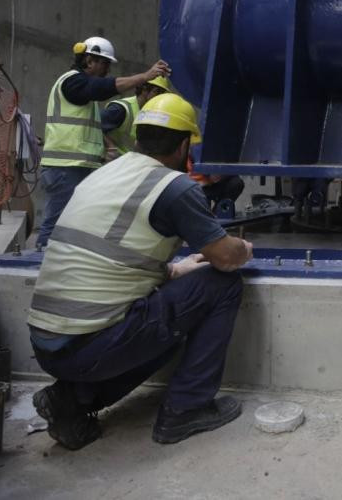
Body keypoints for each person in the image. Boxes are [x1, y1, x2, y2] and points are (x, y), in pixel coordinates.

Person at [27, 93, 254, 449]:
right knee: (222, 285)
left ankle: (70, 401)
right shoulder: (175, 187)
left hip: (47, 342)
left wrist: (175, 271)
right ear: (183, 145)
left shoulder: (108, 173)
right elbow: (225, 258)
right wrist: (242, 249)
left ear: (138, 136)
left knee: (166, 328)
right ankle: (186, 410)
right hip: (90, 344)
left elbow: (110, 257)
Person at [36, 37, 169, 249]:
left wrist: (104, 149)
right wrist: (145, 76)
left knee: (70, 225)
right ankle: (40, 264)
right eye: (104, 63)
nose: (107, 69)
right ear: (89, 60)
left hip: (76, 168)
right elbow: (103, 87)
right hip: (64, 168)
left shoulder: (81, 89)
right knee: (55, 226)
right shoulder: (73, 82)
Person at [104, 74, 173, 156]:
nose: (159, 97)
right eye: (157, 91)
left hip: (131, 163)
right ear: (144, 89)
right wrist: (111, 147)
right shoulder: (121, 109)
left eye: (161, 94)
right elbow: (97, 128)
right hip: (113, 163)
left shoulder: (152, 114)